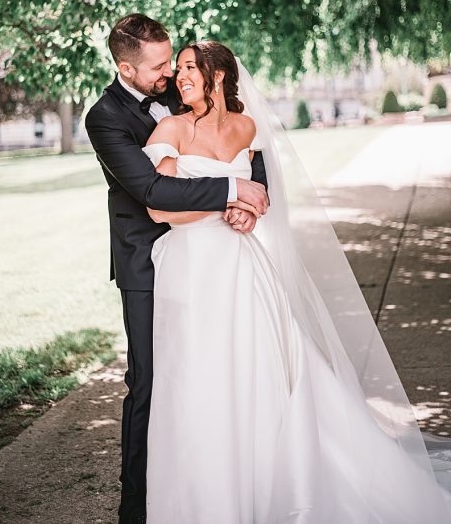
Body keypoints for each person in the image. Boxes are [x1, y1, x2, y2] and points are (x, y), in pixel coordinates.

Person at [142, 40, 451, 523]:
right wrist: (228, 203)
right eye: (178, 69)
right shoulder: (171, 128)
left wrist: (249, 208)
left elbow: (263, 195)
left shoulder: (248, 128)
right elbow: (160, 207)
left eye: (188, 68)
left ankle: (273, 484)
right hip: (193, 270)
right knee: (200, 378)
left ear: (217, 77)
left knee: (262, 371)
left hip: (244, 268)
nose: (179, 77)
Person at [85, 14, 270, 524]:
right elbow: (153, 193)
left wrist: (249, 202)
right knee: (149, 381)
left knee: (223, 370)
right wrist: (231, 193)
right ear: (126, 67)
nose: (169, 72)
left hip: (217, 257)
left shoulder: (181, 92)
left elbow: (246, 156)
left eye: (172, 60)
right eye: (159, 65)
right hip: (148, 263)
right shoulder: (104, 118)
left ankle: (224, 479)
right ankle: (137, 507)